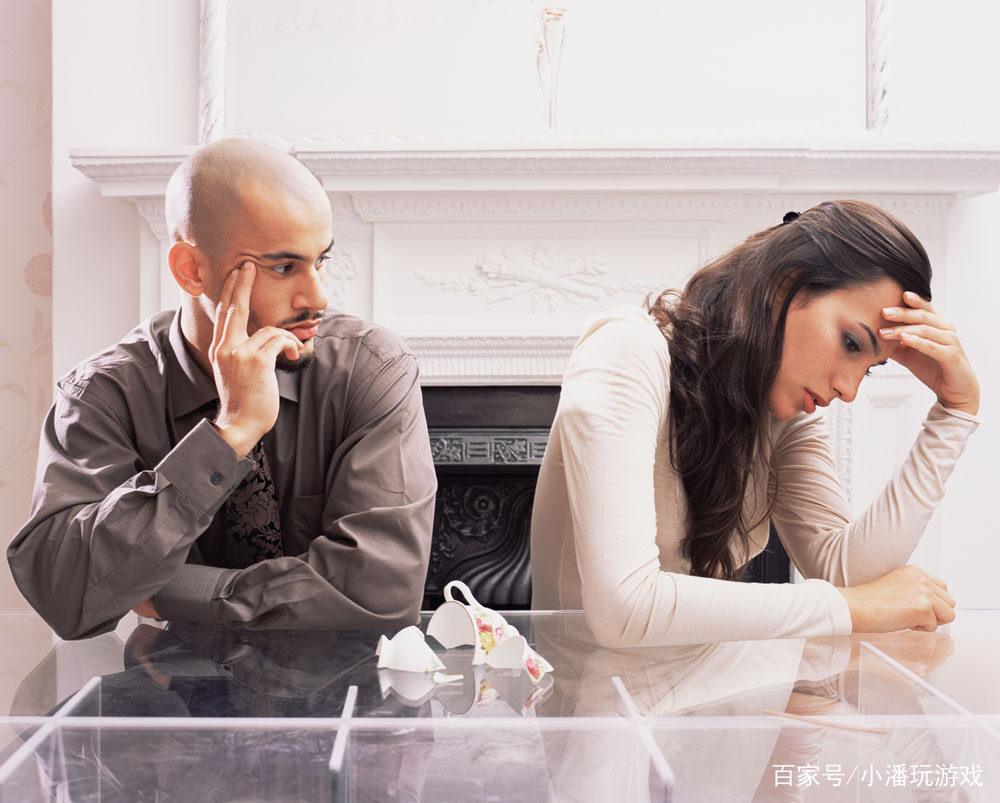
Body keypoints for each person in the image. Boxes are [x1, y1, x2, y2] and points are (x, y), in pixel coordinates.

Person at [8, 138, 437, 640]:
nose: (317, 296)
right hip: (170, 700)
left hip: (346, 696)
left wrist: (170, 591)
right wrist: (231, 433)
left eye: (320, 260)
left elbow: (380, 595)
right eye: (283, 267)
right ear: (192, 270)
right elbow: (65, 596)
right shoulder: (102, 397)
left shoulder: (370, 367)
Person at [530, 200, 980, 647]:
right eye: (850, 343)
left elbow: (846, 570)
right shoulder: (627, 350)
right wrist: (850, 607)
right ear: (783, 288)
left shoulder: (781, 413)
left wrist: (954, 412)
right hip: (594, 709)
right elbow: (623, 609)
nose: (849, 390)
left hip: (702, 705)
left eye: (869, 367)